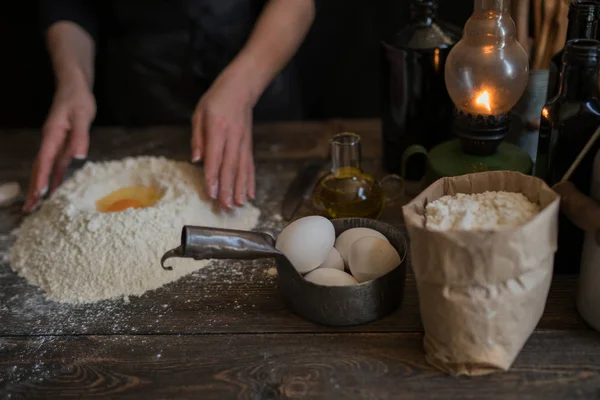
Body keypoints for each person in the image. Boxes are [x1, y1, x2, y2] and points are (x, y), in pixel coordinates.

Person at [24, 0, 315, 212]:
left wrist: (242, 87)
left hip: (255, 75)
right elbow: (68, 5)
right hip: (142, 93)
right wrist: (73, 80)